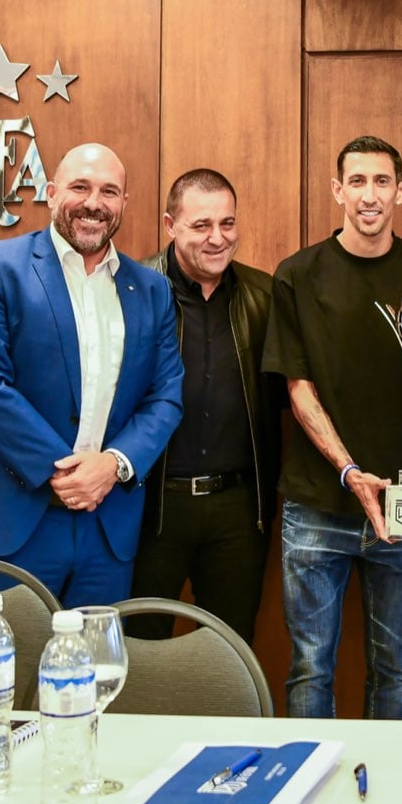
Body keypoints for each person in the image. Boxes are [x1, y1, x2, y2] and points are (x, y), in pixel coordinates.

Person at [0, 143, 183, 605]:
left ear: (124, 204)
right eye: (80, 187)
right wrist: (67, 472)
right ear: (51, 193)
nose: (94, 202)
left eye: (109, 191)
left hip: (108, 523)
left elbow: (165, 396)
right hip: (15, 517)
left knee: (94, 671)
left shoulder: (151, 289)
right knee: (6, 671)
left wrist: (111, 466)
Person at [264, 135, 402, 718]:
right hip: (319, 505)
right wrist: (350, 473)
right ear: (337, 190)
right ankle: (306, 797)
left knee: (396, 670)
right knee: (311, 668)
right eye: (358, 182)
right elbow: (298, 390)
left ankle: (387, 797)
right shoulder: (297, 274)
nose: (370, 196)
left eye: (382, 182)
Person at [134, 169, 280, 644]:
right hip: (151, 508)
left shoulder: (264, 296)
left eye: (228, 223)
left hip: (237, 512)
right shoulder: (133, 290)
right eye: (201, 226)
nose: (218, 238)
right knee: (140, 648)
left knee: (232, 655)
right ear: (170, 224)